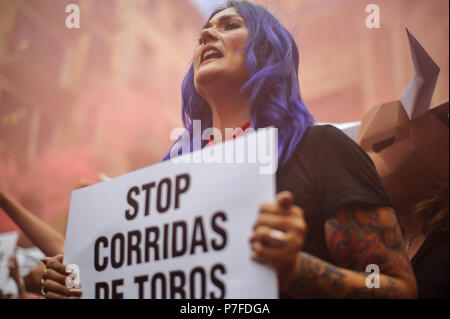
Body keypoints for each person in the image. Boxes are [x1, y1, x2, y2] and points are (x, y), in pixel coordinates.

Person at [41, 0, 417, 298]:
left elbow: (400, 288)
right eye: (203, 32)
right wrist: (84, 285)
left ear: (268, 52)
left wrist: (296, 271)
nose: (206, 35)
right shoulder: (166, 184)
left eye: (230, 25)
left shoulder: (321, 149)